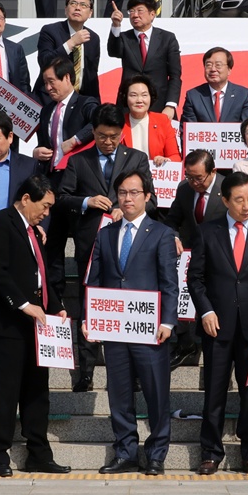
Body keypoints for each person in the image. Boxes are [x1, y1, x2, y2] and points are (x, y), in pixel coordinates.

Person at [188, 171, 248, 475]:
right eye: (239, 199)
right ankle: (211, 452)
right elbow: (195, 278)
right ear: (224, 199)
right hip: (217, 324)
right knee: (214, 391)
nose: (245, 206)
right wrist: (205, 311)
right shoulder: (207, 231)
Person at [86, 169, 178, 476]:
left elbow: (169, 284)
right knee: (119, 393)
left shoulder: (162, 234)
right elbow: (95, 282)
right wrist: (90, 318)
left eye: (134, 193)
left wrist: (168, 321)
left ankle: (156, 454)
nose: (127, 198)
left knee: (156, 393)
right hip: (114, 328)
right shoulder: (106, 234)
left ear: (147, 196)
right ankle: (125, 451)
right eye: (122, 193)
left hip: (150, 329)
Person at [56, 104, 153, 390]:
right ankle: (86, 372)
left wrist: (128, 206)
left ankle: (133, 372)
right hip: (93, 245)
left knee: (129, 304)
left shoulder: (137, 159)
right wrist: (86, 202)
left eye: (113, 136)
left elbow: (153, 200)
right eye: (101, 136)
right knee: (90, 305)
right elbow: (61, 199)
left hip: (131, 246)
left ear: (122, 133)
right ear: (93, 133)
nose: (107, 142)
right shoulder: (78, 161)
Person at [0, 175, 70, 476]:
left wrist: (56, 306)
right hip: (8, 323)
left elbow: (41, 275)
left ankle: (39, 454)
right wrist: (23, 304)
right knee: (6, 392)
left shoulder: (32, 231)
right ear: (26, 199)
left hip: (37, 323)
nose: (47, 213)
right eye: (44, 206)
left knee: (37, 392)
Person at [162, 149, 225, 367]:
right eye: (189, 176)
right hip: (189, 254)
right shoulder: (184, 189)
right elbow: (171, 220)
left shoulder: (226, 189)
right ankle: (185, 341)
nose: (194, 182)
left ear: (212, 171)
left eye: (198, 178)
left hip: (220, 256)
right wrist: (174, 236)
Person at [107, 0, 181, 119]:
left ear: (152, 14)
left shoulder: (167, 38)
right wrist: (116, 25)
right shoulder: (124, 37)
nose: (135, 15)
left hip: (160, 106)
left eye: (140, 11)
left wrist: (170, 105)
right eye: (131, 11)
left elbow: (175, 75)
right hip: (128, 106)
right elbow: (114, 51)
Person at [33, 56, 99, 181]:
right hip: (50, 176)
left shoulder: (85, 103)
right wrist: (37, 152)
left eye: (51, 81)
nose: (48, 88)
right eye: (45, 83)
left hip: (76, 175)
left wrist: (75, 140)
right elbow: (42, 143)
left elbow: (99, 121)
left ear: (67, 78)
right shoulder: (46, 111)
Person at [34, 0, 101, 103]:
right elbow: (44, 61)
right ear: (66, 9)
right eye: (73, 3)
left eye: (83, 5)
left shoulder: (93, 38)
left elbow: (91, 74)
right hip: (49, 98)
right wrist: (71, 43)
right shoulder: (50, 31)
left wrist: (96, 103)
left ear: (90, 13)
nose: (77, 8)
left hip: (79, 101)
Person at [181, 47, 248, 124]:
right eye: (208, 65)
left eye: (218, 65)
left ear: (229, 70)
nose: (213, 69)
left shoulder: (244, 95)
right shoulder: (193, 96)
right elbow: (188, 130)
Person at [118, 75, 181, 165]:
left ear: (151, 97)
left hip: (155, 175)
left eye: (144, 95)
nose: (139, 100)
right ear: (125, 98)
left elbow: (175, 156)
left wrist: (165, 160)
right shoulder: (119, 122)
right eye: (134, 95)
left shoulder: (162, 121)